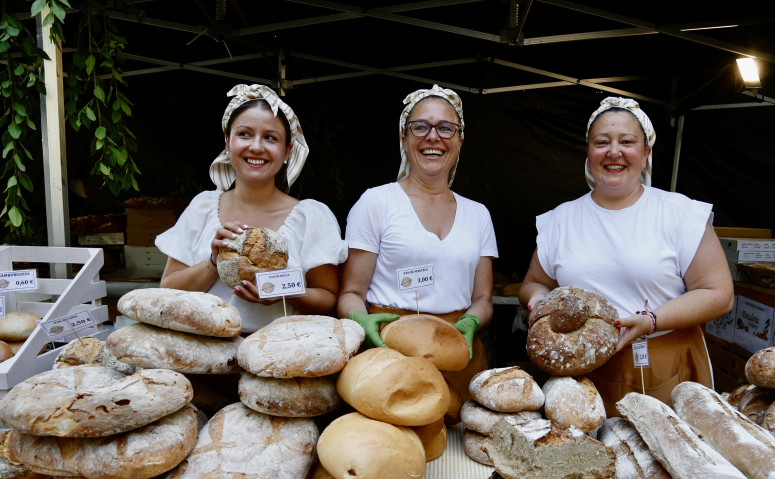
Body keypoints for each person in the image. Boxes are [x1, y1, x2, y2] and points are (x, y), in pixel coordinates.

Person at [519, 96, 734, 416]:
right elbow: (534, 283)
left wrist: (651, 321)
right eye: (601, 142)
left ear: (646, 153)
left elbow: (719, 293)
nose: (613, 151)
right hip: (581, 373)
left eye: (627, 142)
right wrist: (541, 302)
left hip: (665, 364)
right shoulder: (560, 220)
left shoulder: (680, 214)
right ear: (589, 154)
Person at [337, 84, 498, 419]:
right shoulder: (376, 203)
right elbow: (351, 291)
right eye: (420, 126)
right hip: (392, 353)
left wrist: (472, 320)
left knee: (461, 452)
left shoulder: (478, 214)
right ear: (403, 138)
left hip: (458, 355)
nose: (433, 137)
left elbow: (483, 298)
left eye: (445, 127)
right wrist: (360, 320)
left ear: (460, 140)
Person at [156, 84, 347, 333]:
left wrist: (281, 293)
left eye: (270, 138)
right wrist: (214, 261)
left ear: (287, 151)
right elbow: (167, 289)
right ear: (227, 142)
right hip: (202, 355)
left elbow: (328, 298)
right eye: (244, 134)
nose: (256, 147)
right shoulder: (202, 207)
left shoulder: (311, 217)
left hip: (279, 355)